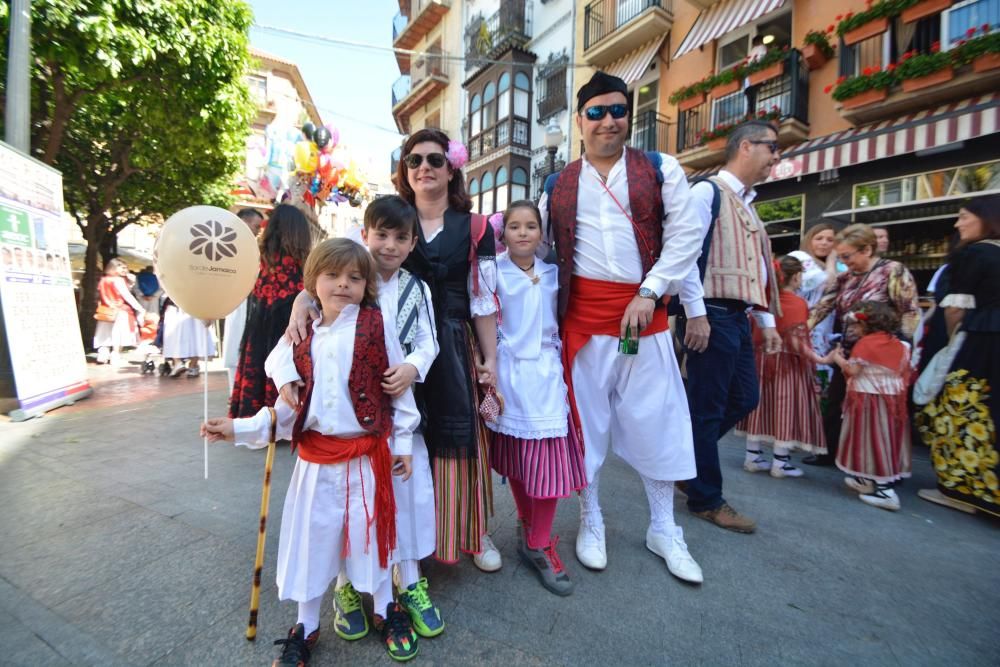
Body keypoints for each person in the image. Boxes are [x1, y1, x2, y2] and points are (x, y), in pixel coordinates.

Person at [290, 129, 503, 571]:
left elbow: (483, 298)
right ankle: (399, 538)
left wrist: (491, 358)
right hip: (375, 350)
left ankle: (468, 531)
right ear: (404, 170)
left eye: (435, 159)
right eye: (414, 160)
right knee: (395, 440)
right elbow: (334, 274)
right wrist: (302, 299)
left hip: (448, 344)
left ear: (452, 167)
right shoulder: (382, 221)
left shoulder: (475, 227)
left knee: (453, 438)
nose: (424, 167)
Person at [202, 238, 422, 665]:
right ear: (312, 282)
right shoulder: (301, 336)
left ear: (366, 285)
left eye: (355, 278)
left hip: (366, 462)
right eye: (333, 275)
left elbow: (399, 390)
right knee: (312, 541)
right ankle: (305, 624)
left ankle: (384, 608)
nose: (343, 284)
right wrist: (238, 429)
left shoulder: (378, 327)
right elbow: (287, 409)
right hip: (315, 465)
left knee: (372, 538)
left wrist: (406, 442)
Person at [540, 71, 704, 582]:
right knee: (586, 427)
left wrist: (658, 294)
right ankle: (593, 520)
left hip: (645, 316)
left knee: (656, 421)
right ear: (580, 121)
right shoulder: (557, 184)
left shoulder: (660, 169)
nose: (608, 120)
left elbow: (685, 238)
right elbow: (544, 254)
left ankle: (663, 527)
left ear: (629, 116)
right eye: (596, 112)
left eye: (617, 111)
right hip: (584, 320)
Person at [331, 195, 445, 643]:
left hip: (400, 417)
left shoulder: (418, 289)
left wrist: (413, 366)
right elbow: (313, 299)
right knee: (349, 506)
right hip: (350, 422)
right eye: (381, 234)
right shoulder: (349, 278)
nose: (390, 245)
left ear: (413, 241)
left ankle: (409, 579)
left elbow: (429, 341)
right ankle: (344, 586)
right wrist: (302, 303)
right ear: (365, 234)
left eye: (401, 237)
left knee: (408, 499)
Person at [679, 120, 783, 533]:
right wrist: (695, 313)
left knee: (743, 397)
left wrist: (766, 319)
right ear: (745, 147)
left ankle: (686, 463)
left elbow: (756, 269)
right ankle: (706, 496)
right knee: (707, 409)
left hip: (735, 316)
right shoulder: (707, 192)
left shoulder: (746, 203)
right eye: (771, 147)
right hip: (712, 312)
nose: (776, 157)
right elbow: (683, 254)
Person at [489, 200, 586, 596]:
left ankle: (538, 541)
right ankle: (529, 526)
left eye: (531, 225)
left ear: (542, 233)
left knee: (549, 466)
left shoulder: (555, 274)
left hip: (546, 376)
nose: (524, 232)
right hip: (509, 375)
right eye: (515, 226)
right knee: (517, 458)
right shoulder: (491, 271)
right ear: (504, 233)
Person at [805, 224, 919, 467]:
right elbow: (824, 306)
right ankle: (831, 452)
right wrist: (801, 329)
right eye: (841, 257)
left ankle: (882, 465)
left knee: (878, 412)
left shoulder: (893, 271)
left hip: (881, 356)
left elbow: (909, 311)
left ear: (866, 250)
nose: (845, 263)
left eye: (847, 256)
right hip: (848, 350)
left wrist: (906, 350)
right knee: (836, 402)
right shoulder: (846, 277)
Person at [916, 195, 1000, 517]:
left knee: (959, 410)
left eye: (964, 216)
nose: (957, 223)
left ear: (985, 219)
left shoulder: (975, 253)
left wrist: (952, 341)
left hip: (980, 339)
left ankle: (959, 490)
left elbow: (955, 307)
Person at [735, 256, 832, 478]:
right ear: (797, 276)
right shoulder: (798, 303)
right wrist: (820, 360)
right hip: (788, 364)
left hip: (759, 360)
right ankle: (781, 462)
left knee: (758, 409)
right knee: (784, 410)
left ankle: (752, 457)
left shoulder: (763, 300)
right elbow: (797, 342)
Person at [230, 204, 312, 417]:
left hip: (258, 329)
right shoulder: (301, 264)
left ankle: (259, 419)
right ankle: (284, 417)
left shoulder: (260, 258)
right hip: (290, 329)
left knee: (259, 368)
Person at [829, 301, 912, 511]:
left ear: (868, 325)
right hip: (892, 399)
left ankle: (885, 491)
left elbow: (853, 370)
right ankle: (865, 479)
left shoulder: (866, 344)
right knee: (885, 439)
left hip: (869, 398)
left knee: (873, 440)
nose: (854, 329)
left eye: (857, 325)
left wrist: (837, 358)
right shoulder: (900, 345)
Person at [788, 223, 845, 363]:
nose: (824, 243)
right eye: (819, 238)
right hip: (800, 323)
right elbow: (829, 284)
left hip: (825, 328)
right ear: (809, 240)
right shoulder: (798, 257)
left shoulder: (841, 265)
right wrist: (831, 260)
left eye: (830, 240)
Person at [223, 208, 265, 393]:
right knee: (235, 349)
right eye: (256, 226)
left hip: (252, 305)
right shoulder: (228, 244)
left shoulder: (253, 247)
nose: (258, 231)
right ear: (244, 222)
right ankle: (234, 393)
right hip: (238, 303)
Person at [93, 257, 144, 365]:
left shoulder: (104, 280)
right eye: (121, 267)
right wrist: (139, 308)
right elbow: (127, 296)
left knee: (104, 334)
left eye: (125, 268)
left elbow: (100, 295)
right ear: (114, 268)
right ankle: (115, 356)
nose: (124, 270)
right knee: (118, 334)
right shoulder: (119, 280)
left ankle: (103, 354)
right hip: (120, 311)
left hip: (105, 311)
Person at [161, 298, 216, 377]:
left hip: (177, 304)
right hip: (196, 303)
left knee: (174, 334)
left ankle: (178, 362)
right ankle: (192, 366)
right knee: (196, 335)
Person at [744, 35, 768, 113]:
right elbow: (761, 59)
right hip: (756, 76)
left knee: (750, 99)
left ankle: (750, 113)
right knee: (753, 97)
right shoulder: (762, 47)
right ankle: (752, 113)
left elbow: (748, 63)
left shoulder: (752, 51)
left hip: (749, 79)